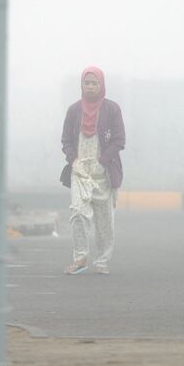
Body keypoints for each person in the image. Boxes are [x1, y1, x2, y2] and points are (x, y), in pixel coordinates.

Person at [60, 67, 125, 275]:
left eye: (94, 83)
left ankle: (102, 261)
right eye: (86, 82)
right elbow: (66, 140)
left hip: (103, 174)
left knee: (104, 222)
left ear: (101, 85)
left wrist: (103, 160)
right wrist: (73, 160)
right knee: (78, 213)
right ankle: (80, 258)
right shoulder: (73, 110)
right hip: (79, 172)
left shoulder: (112, 109)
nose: (90, 86)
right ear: (81, 85)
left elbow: (119, 140)